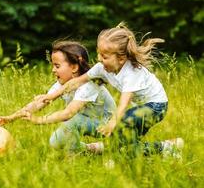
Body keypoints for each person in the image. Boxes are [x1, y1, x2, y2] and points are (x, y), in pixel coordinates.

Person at [38, 23, 184, 157]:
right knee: (127, 150)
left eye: (105, 56)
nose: (100, 59)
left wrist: (113, 122)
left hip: (156, 106)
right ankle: (168, 147)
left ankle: (109, 159)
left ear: (121, 59)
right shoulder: (102, 68)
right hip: (140, 107)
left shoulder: (131, 73)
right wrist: (52, 96)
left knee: (118, 138)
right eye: (98, 54)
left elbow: (124, 103)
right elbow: (76, 82)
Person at [0, 40, 116, 153]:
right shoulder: (61, 85)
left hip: (108, 125)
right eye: (53, 66)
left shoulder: (89, 85)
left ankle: (114, 146)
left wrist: (38, 120)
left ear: (74, 67)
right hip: (85, 120)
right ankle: (91, 150)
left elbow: (68, 113)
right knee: (56, 142)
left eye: (57, 66)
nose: (53, 70)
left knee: (73, 120)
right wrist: (11, 117)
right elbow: (39, 103)